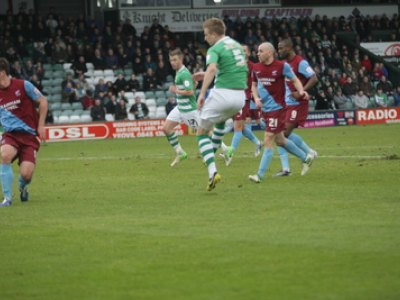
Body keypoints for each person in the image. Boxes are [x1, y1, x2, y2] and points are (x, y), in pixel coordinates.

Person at [192, 18, 247, 191]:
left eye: (206, 34)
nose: (205, 38)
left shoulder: (214, 48)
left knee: (201, 132)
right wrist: (206, 73)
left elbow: (212, 68)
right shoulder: (236, 45)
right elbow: (228, 68)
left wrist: (202, 93)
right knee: (220, 122)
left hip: (222, 94)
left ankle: (212, 170)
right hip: (240, 97)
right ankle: (213, 154)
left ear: (215, 34)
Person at [248, 42, 315, 184]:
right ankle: (306, 158)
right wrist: (255, 98)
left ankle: (259, 175)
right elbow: (253, 85)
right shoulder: (256, 67)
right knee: (281, 140)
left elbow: (295, 79)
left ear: (269, 53)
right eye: (257, 51)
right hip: (265, 109)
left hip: (277, 110)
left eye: (260, 51)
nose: (257, 53)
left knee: (268, 140)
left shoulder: (282, 66)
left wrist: (302, 92)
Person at [0, 57, 48, 207]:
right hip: (11, 134)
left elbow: (43, 101)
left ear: (2, 72)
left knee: (26, 175)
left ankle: (23, 186)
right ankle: (7, 198)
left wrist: (41, 126)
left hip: (29, 136)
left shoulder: (23, 85)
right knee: (5, 155)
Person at [274, 38, 318, 177]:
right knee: (281, 134)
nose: (279, 51)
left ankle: (304, 158)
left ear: (289, 48)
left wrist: (301, 92)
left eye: (281, 48)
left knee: (282, 135)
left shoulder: (300, 62)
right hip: (287, 104)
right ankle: (308, 153)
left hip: (297, 105)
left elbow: (314, 78)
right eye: (278, 48)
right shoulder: (284, 63)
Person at [220, 44, 262, 166]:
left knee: (237, 126)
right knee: (241, 127)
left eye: (244, 51)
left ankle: (230, 152)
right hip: (234, 98)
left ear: (248, 53)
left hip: (244, 99)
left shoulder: (253, 67)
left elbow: (258, 82)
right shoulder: (235, 66)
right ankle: (258, 142)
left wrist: (257, 96)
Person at [163, 49, 199, 167]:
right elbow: (192, 86)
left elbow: (190, 92)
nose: (172, 62)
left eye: (175, 60)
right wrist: (193, 84)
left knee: (205, 133)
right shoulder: (179, 72)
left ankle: (226, 150)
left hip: (189, 110)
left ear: (181, 59)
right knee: (166, 128)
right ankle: (180, 152)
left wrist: (175, 90)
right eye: (171, 60)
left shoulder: (183, 73)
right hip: (180, 108)